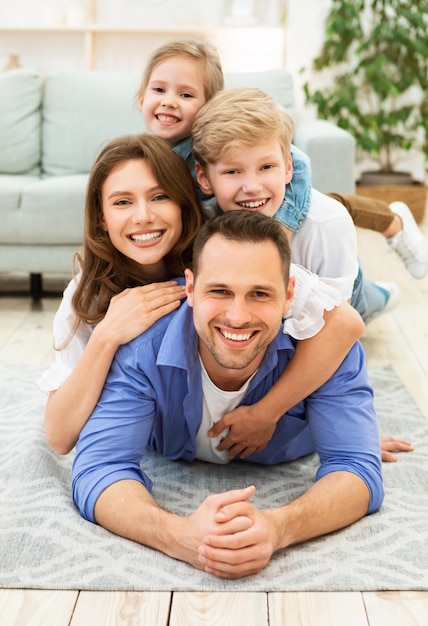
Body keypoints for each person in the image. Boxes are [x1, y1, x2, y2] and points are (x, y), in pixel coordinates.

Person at [72, 210, 384, 580]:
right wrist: (179, 536)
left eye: (259, 294)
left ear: (288, 296)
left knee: (376, 297)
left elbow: (356, 469)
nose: (237, 316)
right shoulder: (141, 347)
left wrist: (278, 527)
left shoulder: (330, 349)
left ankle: (385, 295)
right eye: (220, 291)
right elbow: (99, 468)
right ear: (189, 288)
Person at [38, 133, 368, 458]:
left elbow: (345, 324)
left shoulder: (222, 256)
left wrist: (272, 414)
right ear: (102, 218)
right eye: (123, 202)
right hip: (173, 443)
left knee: (368, 298)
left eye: (159, 197)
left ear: (183, 205)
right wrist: (107, 335)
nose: (143, 216)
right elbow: (59, 436)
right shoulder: (87, 296)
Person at [137, 39, 428, 280]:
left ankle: (394, 223)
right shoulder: (145, 156)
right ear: (141, 98)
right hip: (234, 216)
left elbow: (297, 164)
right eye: (159, 90)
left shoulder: (220, 142)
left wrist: (284, 225)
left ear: (209, 105)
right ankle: (383, 295)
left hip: (285, 205)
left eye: (186, 94)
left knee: (335, 206)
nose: (169, 101)